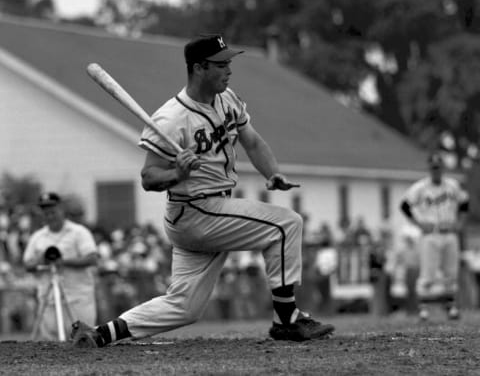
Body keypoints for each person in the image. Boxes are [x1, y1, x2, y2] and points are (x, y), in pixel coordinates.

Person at [71, 34, 335, 347]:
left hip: (210, 211)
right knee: (286, 224)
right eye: (221, 64)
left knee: (185, 307)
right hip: (195, 211)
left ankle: (100, 335)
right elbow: (149, 177)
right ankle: (286, 319)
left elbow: (251, 140)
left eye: (229, 63)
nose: (229, 70)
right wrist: (176, 172)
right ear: (199, 68)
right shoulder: (171, 119)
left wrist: (272, 172)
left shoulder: (226, 99)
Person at [399, 152, 469, 321]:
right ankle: (423, 308)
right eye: (433, 167)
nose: (436, 170)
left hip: (449, 231)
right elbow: (404, 206)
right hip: (430, 234)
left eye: (438, 167)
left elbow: (465, 204)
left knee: (451, 271)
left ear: (442, 168)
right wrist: (418, 224)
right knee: (428, 272)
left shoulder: (452, 185)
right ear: (430, 168)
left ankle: (451, 307)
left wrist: (460, 224)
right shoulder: (420, 187)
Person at [23, 192, 99, 340]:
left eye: (53, 211)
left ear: (61, 209)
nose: (49, 216)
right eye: (45, 212)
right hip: (48, 298)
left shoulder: (79, 232)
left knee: (83, 339)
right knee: (51, 340)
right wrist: (41, 261)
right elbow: (27, 264)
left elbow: (92, 258)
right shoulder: (37, 237)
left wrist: (63, 261)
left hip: (78, 297)